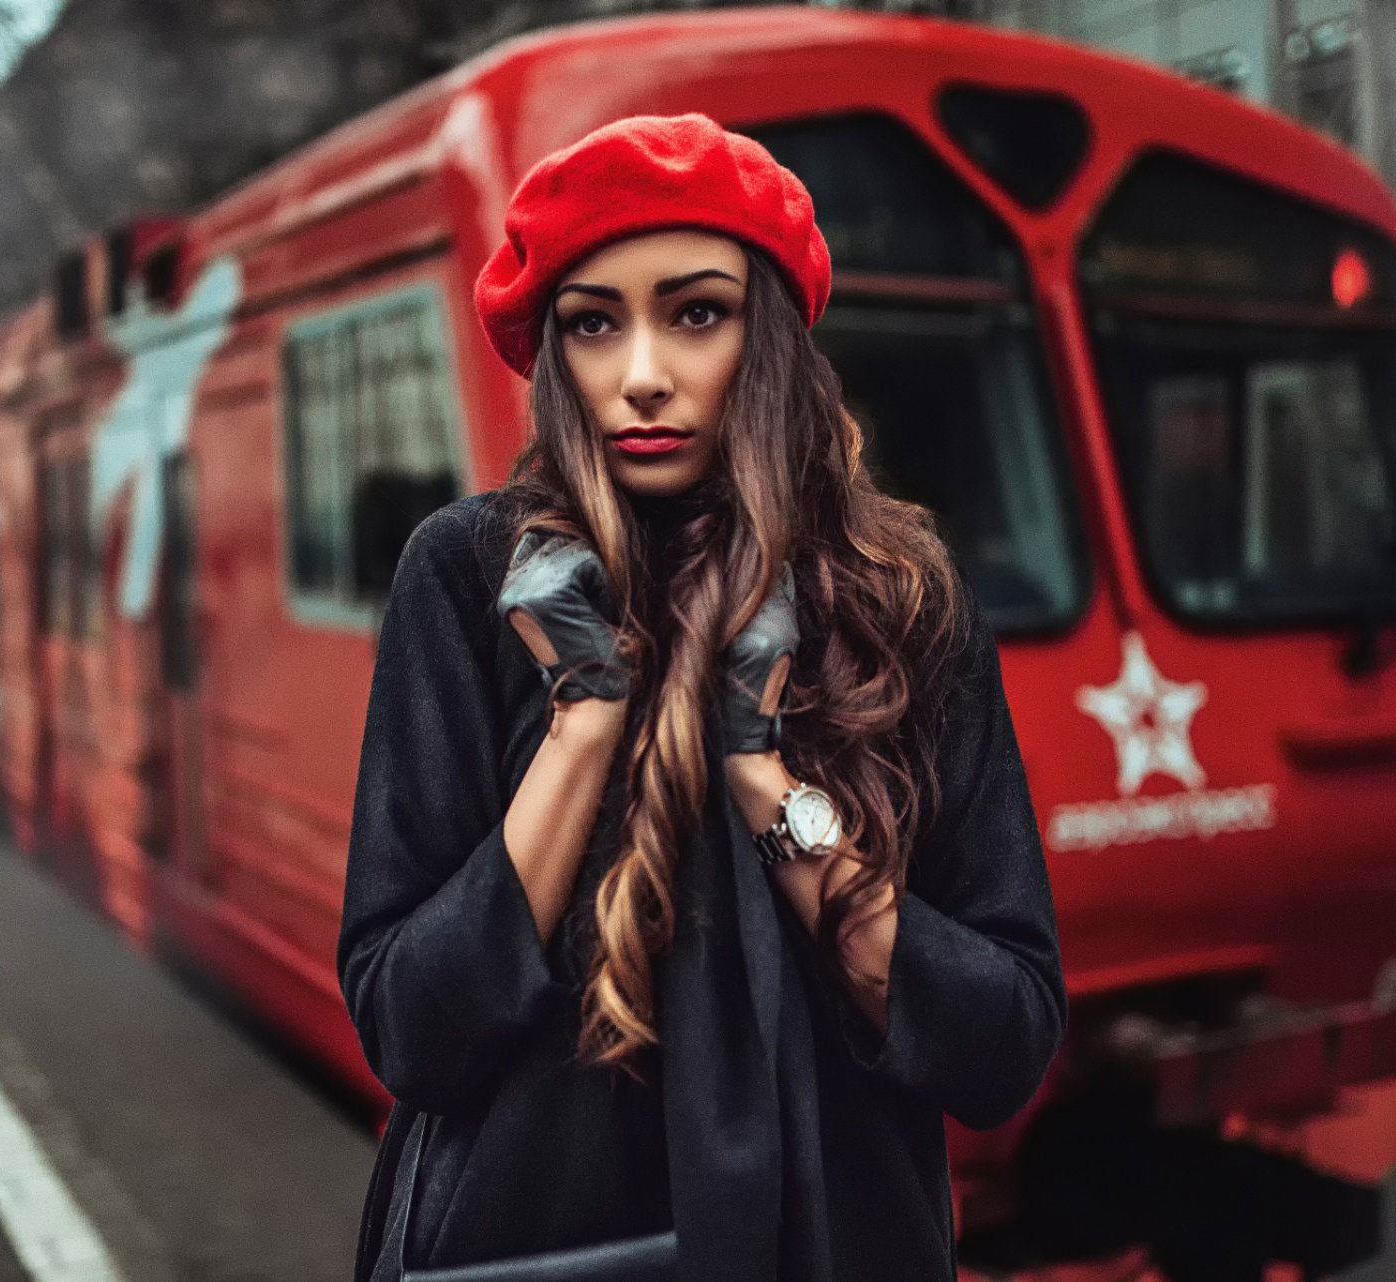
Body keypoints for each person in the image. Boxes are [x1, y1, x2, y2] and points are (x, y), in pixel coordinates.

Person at [337, 114, 1065, 1282]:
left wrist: (765, 783)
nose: (641, 375)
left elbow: (1004, 1042)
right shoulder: (474, 579)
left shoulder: (900, 601)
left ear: (764, 337)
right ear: (556, 356)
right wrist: (584, 726)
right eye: (593, 323)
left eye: (696, 313)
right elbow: (411, 1029)